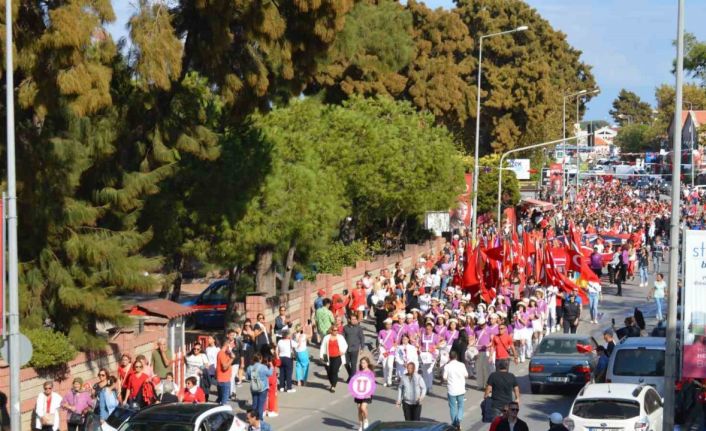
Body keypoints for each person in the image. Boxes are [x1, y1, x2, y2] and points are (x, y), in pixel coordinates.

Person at [443, 350, 468, 431]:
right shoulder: (461, 365)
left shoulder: (447, 366)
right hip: (461, 389)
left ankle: (454, 424)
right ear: (456, 357)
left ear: (449, 357)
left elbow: (444, 377)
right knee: (461, 406)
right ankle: (459, 419)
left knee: (452, 407)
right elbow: (466, 375)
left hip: (451, 389)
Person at [320, 326, 348, 393]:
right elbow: (322, 347)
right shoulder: (326, 338)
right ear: (331, 330)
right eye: (334, 330)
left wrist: (343, 351)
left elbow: (345, 345)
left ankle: (333, 386)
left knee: (334, 371)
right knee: (329, 371)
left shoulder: (340, 337)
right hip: (327, 356)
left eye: (337, 330)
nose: (336, 331)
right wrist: (321, 356)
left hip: (337, 356)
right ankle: (332, 382)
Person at [246, 353, 274, 421]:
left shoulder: (249, 368)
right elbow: (269, 374)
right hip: (263, 388)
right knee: (260, 406)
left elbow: (248, 378)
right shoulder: (263, 367)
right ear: (260, 359)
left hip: (254, 388)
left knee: (254, 404)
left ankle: (252, 418)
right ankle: (259, 420)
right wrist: (271, 367)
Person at [354, 357, 376, 431]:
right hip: (359, 393)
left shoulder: (370, 373)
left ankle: (366, 419)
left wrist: (370, 393)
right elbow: (355, 382)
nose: (362, 364)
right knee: (359, 409)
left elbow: (372, 384)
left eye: (364, 363)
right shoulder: (358, 372)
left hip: (367, 393)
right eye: (361, 363)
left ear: (367, 363)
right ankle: (360, 425)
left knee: (363, 407)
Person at [343, 314, 366, 383]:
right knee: (345, 363)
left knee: (353, 364)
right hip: (346, 349)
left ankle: (352, 378)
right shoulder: (345, 328)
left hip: (355, 348)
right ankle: (351, 375)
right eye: (353, 319)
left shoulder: (359, 328)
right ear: (349, 320)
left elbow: (362, 337)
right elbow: (342, 337)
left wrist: (362, 347)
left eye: (355, 319)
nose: (354, 321)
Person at [216, 336, 234, 405]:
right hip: (224, 380)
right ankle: (221, 414)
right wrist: (232, 359)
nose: (230, 345)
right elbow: (224, 367)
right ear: (226, 344)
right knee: (224, 401)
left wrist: (230, 351)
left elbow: (233, 355)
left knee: (220, 399)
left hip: (222, 379)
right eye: (229, 343)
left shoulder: (226, 353)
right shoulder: (222, 353)